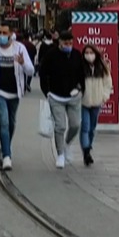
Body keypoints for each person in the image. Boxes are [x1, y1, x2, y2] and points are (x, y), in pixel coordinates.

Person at [0, 23, 35, 170]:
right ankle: (7, 156)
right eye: (0, 32)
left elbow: (30, 71)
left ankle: (4, 148)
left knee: (11, 122)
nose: (2, 35)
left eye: (4, 33)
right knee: (4, 122)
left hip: (15, 92)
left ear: (10, 34)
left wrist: (22, 63)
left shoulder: (19, 48)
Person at [40, 31, 86, 170]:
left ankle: (67, 143)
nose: (69, 46)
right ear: (60, 42)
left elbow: (82, 74)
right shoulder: (51, 55)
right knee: (60, 126)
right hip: (56, 96)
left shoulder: (77, 55)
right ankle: (60, 154)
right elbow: (43, 73)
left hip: (73, 96)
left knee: (75, 124)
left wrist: (80, 89)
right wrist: (47, 92)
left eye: (71, 43)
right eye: (66, 43)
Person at [79, 43, 112, 167]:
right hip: (84, 101)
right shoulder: (81, 67)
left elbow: (108, 84)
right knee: (85, 126)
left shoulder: (102, 67)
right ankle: (86, 150)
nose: (89, 55)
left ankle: (89, 145)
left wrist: (104, 97)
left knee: (92, 127)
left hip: (97, 101)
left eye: (91, 53)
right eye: (86, 53)